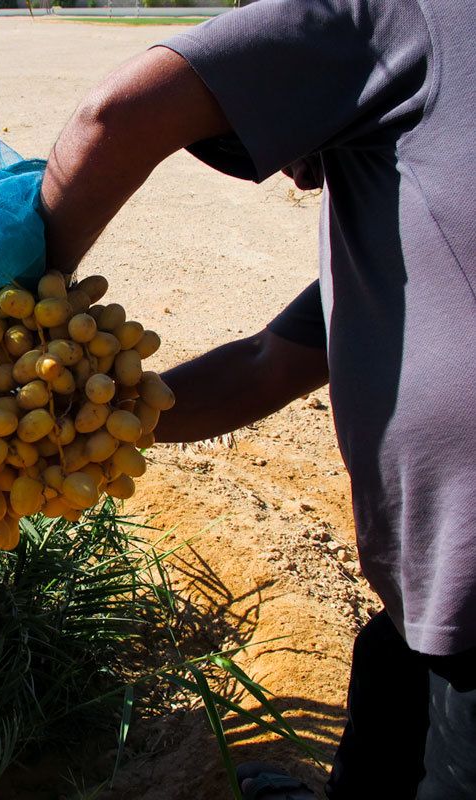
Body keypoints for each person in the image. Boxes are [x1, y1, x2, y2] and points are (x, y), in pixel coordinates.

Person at [39, 0, 476, 798]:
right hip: (428, 596)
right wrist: (90, 423)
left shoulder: (405, 12)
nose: (282, 168)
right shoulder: (407, 225)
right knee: (383, 726)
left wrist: (22, 308)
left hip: (472, 609)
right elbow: (269, 365)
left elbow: (119, 112)